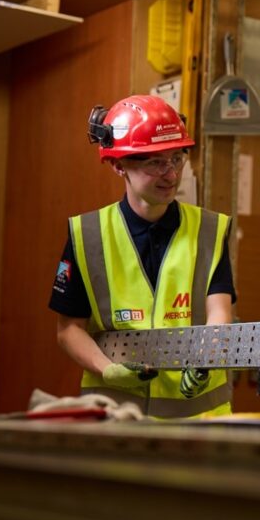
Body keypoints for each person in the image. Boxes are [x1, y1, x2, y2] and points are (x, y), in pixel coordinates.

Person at [49, 94, 235, 418]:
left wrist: (207, 357)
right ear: (118, 164)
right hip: (118, 423)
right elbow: (68, 329)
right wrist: (108, 370)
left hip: (199, 427)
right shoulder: (88, 235)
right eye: (155, 162)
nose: (171, 174)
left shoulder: (209, 230)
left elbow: (219, 311)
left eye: (177, 158)